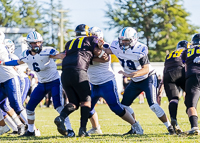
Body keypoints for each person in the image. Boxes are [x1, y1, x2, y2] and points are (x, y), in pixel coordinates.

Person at [1, 31, 73, 137]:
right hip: (42, 83)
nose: (37, 45)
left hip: (54, 82)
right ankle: (31, 131)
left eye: (39, 42)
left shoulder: (47, 51)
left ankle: (70, 129)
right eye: (34, 43)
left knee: (58, 106)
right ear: (29, 44)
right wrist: (3, 63)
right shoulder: (25, 54)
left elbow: (60, 56)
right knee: (29, 107)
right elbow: (18, 62)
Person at [104, 27, 174, 135]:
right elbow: (108, 50)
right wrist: (99, 44)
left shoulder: (140, 48)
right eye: (122, 40)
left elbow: (145, 69)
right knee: (124, 106)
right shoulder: (116, 45)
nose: (123, 43)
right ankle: (135, 127)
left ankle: (170, 128)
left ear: (134, 39)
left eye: (126, 40)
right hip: (135, 80)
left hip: (148, 78)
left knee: (153, 105)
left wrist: (132, 74)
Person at [54, 24, 109, 137]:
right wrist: (101, 49)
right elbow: (98, 53)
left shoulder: (69, 43)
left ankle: (61, 117)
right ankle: (82, 129)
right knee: (86, 100)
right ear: (87, 33)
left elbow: (65, 55)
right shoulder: (91, 39)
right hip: (79, 72)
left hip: (65, 74)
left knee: (73, 102)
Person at [86, 27, 143, 135]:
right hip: (93, 83)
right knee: (87, 108)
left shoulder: (105, 45)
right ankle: (96, 128)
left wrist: (86, 58)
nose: (89, 39)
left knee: (116, 107)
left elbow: (105, 57)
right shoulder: (86, 48)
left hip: (106, 82)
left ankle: (136, 125)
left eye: (92, 36)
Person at [157, 40, 188, 134]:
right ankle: (192, 116)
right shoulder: (187, 51)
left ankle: (173, 119)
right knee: (192, 94)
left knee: (173, 99)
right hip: (181, 71)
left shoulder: (169, 55)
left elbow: (165, 70)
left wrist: (161, 86)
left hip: (168, 76)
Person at [0, 31, 27, 135]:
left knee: (17, 105)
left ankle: (32, 129)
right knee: (6, 106)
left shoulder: (1, 47)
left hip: (11, 79)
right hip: (2, 81)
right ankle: (4, 127)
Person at [181, 33, 200, 135]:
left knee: (191, 105)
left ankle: (194, 127)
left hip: (193, 76)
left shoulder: (187, 51)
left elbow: (184, 63)